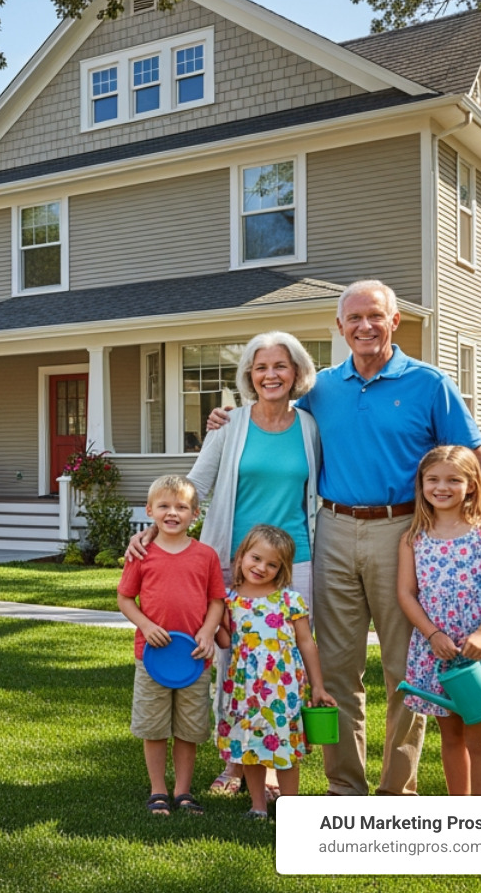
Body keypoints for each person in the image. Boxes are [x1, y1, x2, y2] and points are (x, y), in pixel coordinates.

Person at [205, 280, 481, 797]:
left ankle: (396, 790)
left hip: (404, 533)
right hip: (331, 530)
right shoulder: (321, 389)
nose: (364, 326)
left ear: (394, 321)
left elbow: (475, 453)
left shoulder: (429, 383)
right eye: (353, 318)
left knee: (407, 667)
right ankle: (344, 787)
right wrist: (226, 419)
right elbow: (271, 412)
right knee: (335, 666)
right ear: (340, 328)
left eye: (374, 316)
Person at [128, 332, 322, 799]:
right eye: (260, 367)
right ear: (249, 376)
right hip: (232, 561)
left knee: (283, 661)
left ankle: (274, 759)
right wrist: (152, 528)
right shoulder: (229, 424)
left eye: (280, 366)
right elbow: (193, 486)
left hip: (296, 561)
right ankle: (235, 762)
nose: (270, 375)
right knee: (229, 657)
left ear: (296, 372)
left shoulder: (310, 427)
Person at [397, 445, 481, 796]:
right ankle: (459, 815)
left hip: (478, 649)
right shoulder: (412, 538)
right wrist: (432, 634)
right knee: (450, 737)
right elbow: (406, 594)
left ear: (472, 484)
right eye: (432, 479)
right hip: (436, 648)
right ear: (421, 485)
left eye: (454, 480)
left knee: (479, 739)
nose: (442, 487)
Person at [117, 475, 226, 816]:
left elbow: (216, 600)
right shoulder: (141, 554)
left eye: (181, 507)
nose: (172, 513)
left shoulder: (205, 556)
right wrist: (146, 626)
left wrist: (208, 633)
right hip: (153, 659)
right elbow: (124, 598)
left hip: (194, 657)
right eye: (164, 506)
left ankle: (183, 791)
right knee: (154, 726)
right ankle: (158, 790)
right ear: (150, 510)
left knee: (189, 729)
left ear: (195, 513)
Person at [216, 524, 336, 819]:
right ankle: (258, 806)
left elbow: (307, 644)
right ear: (242, 555)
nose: (261, 568)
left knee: (285, 750)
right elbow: (224, 641)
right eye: (256, 558)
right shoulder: (230, 601)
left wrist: (318, 687)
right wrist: (212, 619)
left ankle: (291, 808)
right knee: (251, 747)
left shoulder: (289, 601)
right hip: (245, 690)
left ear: (282, 569)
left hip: (284, 690)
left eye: (272, 564)